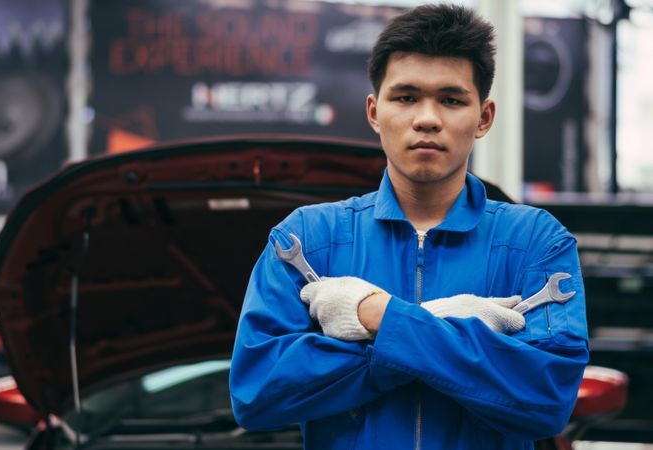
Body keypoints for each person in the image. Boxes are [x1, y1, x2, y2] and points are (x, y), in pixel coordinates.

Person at [229, 3, 588, 449]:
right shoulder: (306, 239)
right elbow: (257, 393)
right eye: (406, 97)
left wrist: (377, 316)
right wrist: (437, 330)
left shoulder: (536, 241)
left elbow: (546, 399)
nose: (427, 118)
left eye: (452, 99)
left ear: (484, 117)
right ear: (374, 111)